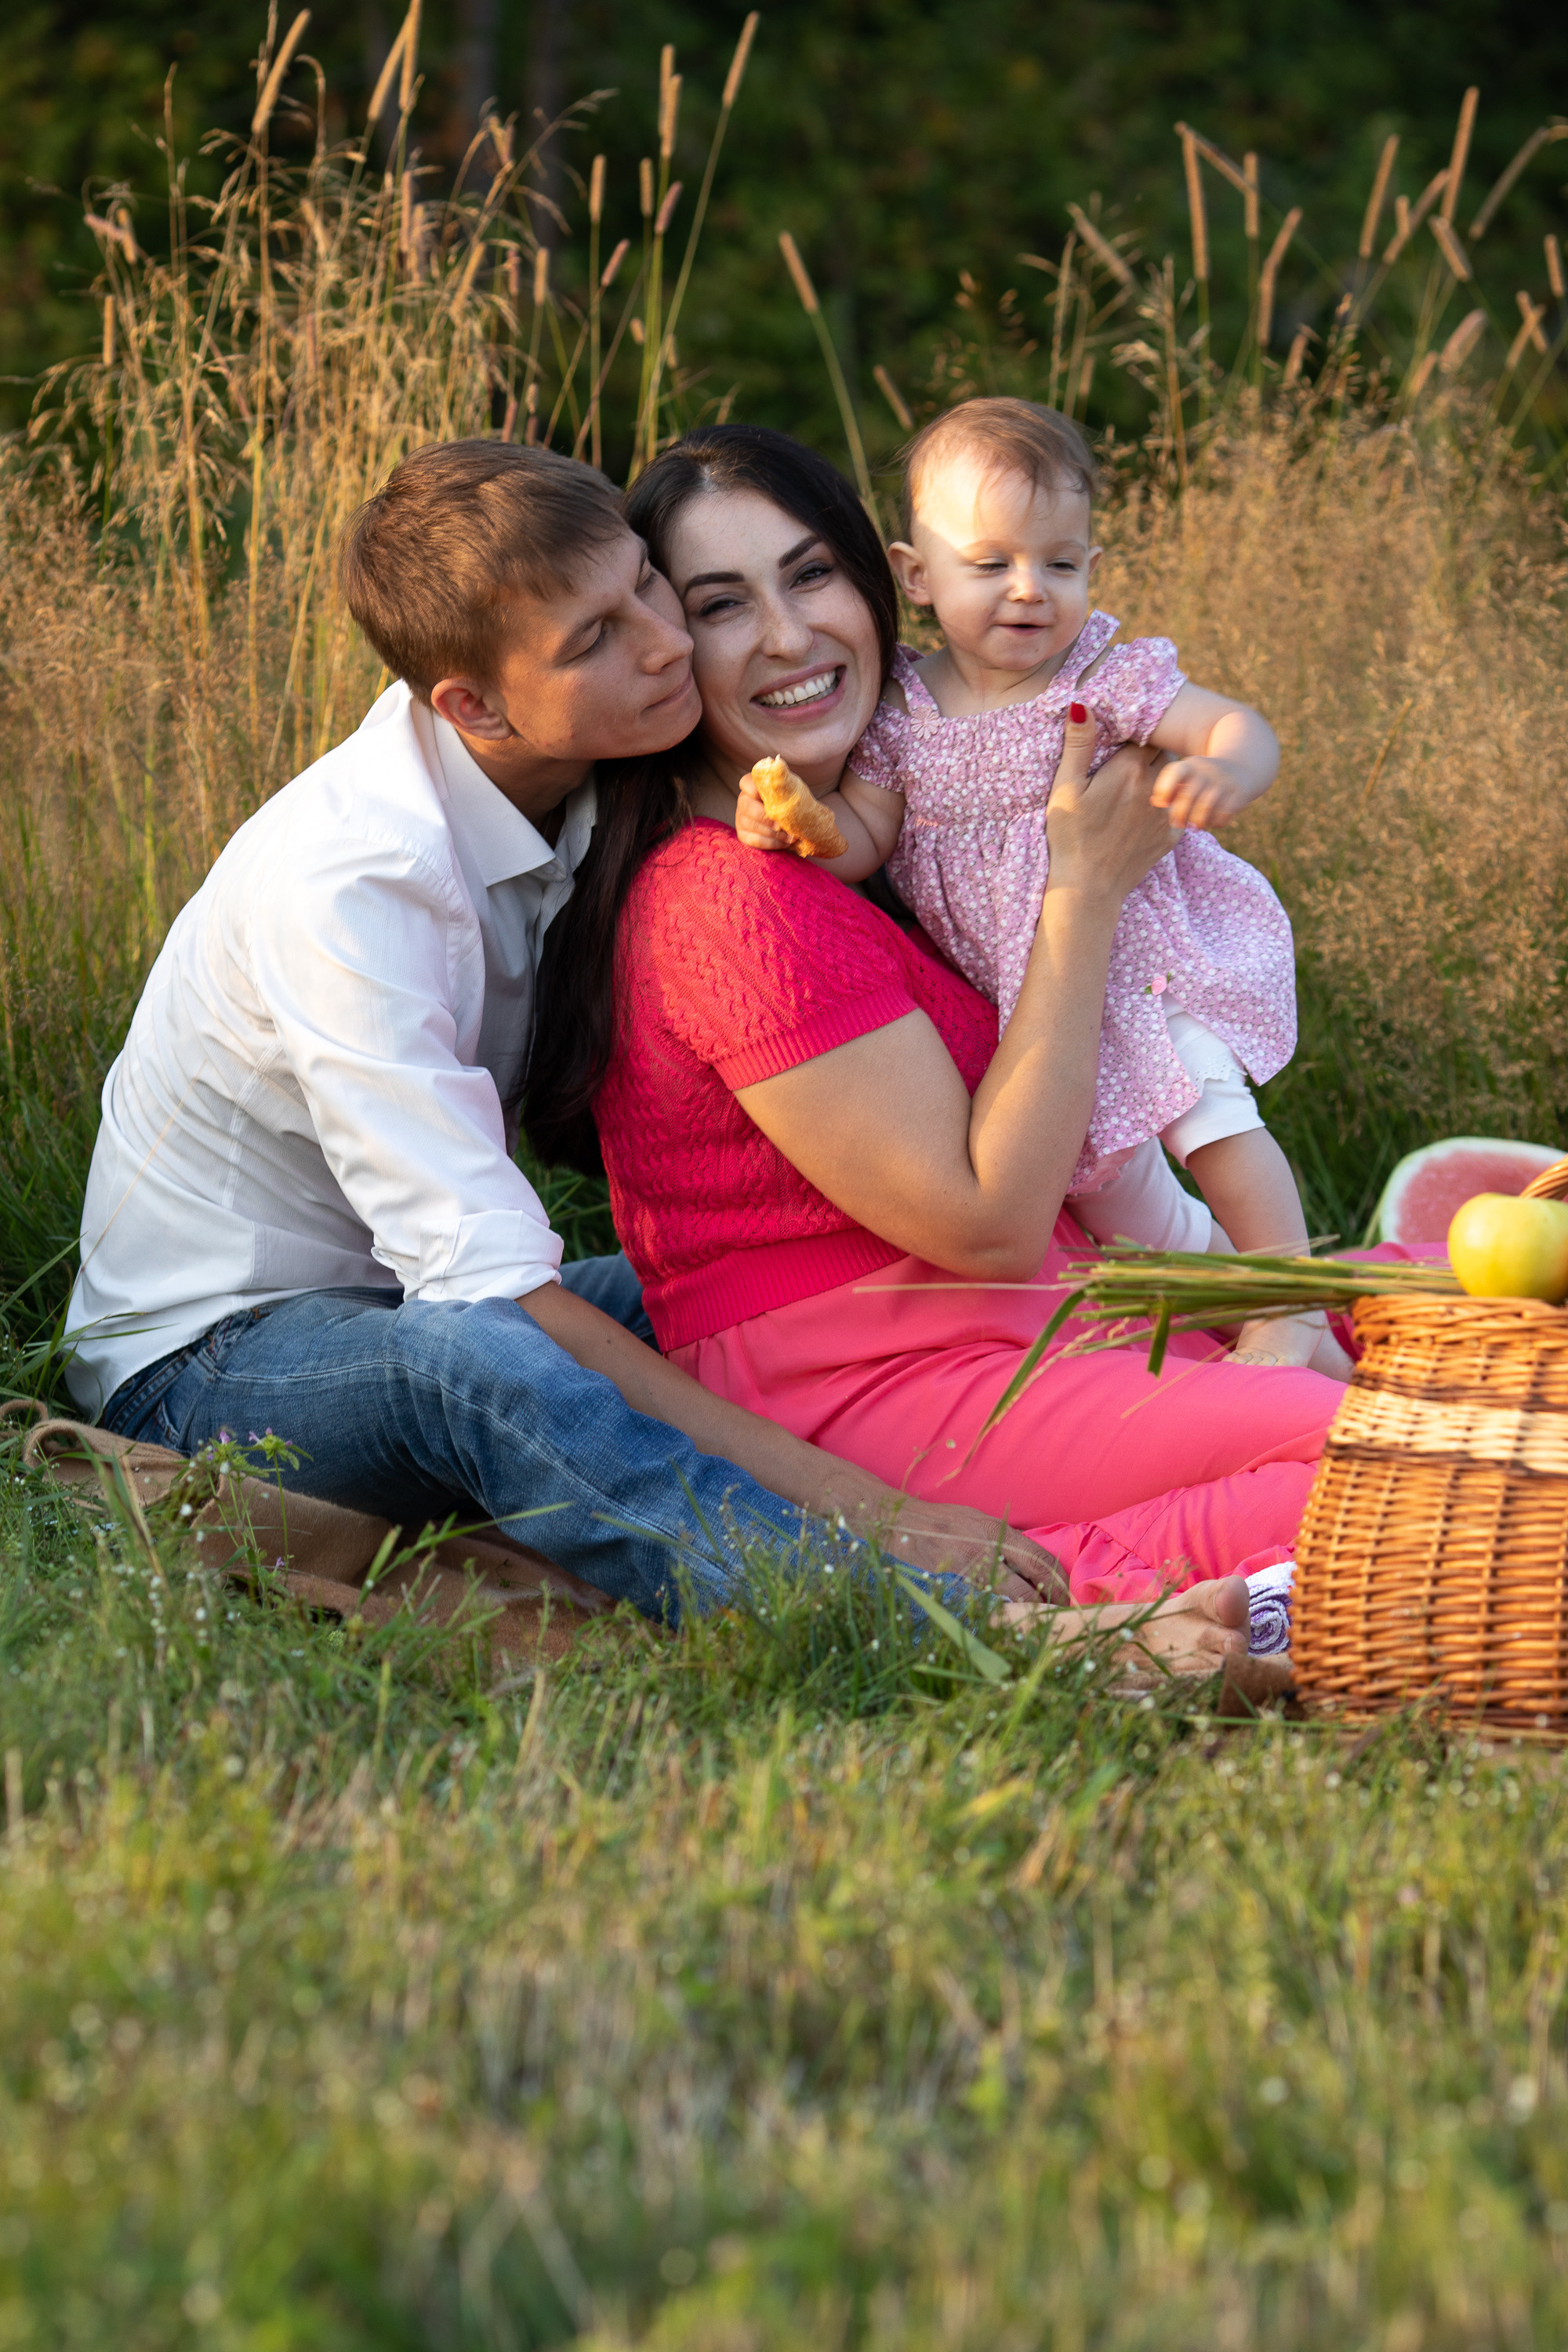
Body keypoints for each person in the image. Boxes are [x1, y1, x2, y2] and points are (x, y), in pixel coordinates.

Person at [64, 435, 1258, 1674]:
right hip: (223, 1357)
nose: (665, 641)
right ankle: (971, 1631)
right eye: (596, 638)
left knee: (757, 1302)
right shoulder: (357, 887)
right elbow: (485, 1295)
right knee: (478, 1369)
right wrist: (871, 1508)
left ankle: (1146, 1484)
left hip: (419, 1289)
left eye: (648, 585)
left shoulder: (585, 772)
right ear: (473, 706)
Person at [525, 424, 1346, 1613]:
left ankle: (1209, 1564)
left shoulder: (872, 831)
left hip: (1019, 1319)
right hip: (872, 1373)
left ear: (877, 583)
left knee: (1448, 1336)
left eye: (810, 574)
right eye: (722, 605)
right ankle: (1074, 1599)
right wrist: (1084, 888)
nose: (790, 635)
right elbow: (989, 1225)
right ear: (667, 648)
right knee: (1395, 1460)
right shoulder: (726, 898)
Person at [733, 397, 1345, 1377]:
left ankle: (1292, 1303)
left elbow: (1239, 726)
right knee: (1112, 1199)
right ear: (915, 576)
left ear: (1091, 571)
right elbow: (863, 837)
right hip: (1036, 1016)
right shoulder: (902, 709)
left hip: (1142, 963)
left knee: (1212, 1121)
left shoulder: (1101, 676)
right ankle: (1259, 1327)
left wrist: (1226, 769)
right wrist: (798, 825)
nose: (1028, 591)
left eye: (1058, 563)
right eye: (991, 564)